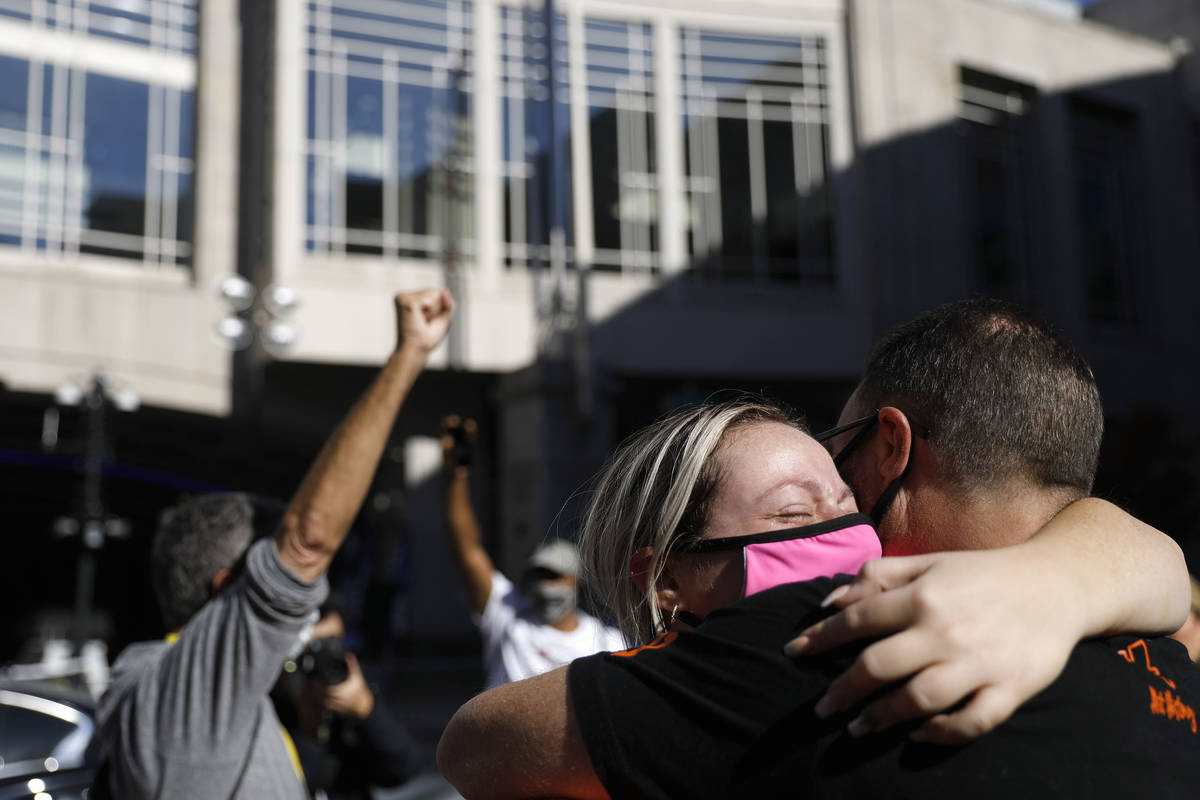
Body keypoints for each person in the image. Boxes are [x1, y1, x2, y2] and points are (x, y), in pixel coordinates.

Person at [437, 299, 1196, 799]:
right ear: (664, 575)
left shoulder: (826, 639)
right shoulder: (1170, 640)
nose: (846, 527)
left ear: (891, 447)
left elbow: (473, 743)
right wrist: (1067, 576)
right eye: (795, 511)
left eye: (842, 482)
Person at [96, 289, 454, 799]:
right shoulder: (180, 693)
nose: (302, 605)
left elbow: (396, 765)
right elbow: (307, 542)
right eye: (269, 572)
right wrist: (410, 354)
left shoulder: (211, 696)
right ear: (228, 588)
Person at [440, 415, 624, 687]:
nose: (544, 586)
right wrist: (457, 476)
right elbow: (468, 550)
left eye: (553, 576)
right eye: (539, 576)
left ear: (575, 581)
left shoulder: (607, 643)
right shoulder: (507, 615)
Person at [272, 607, 421, 799]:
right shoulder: (270, 704)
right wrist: (307, 727)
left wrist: (366, 709)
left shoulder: (350, 701)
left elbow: (402, 769)